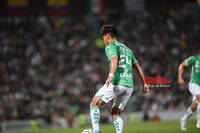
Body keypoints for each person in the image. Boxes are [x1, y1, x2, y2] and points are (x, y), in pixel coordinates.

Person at [89, 24, 150, 133]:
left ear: (107, 37)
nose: (104, 41)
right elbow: (138, 67)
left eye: (103, 38)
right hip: (129, 86)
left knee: (94, 104)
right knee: (115, 113)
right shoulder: (128, 50)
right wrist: (144, 83)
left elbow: (114, 60)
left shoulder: (111, 46)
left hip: (117, 82)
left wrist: (111, 75)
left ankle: (96, 131)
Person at [178, 54, 200, 131]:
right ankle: (199, 123)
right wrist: (180, 77)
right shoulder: (194, 59)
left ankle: (183, 119)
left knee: (194, 106)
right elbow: (181, 65)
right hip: (194, 84)